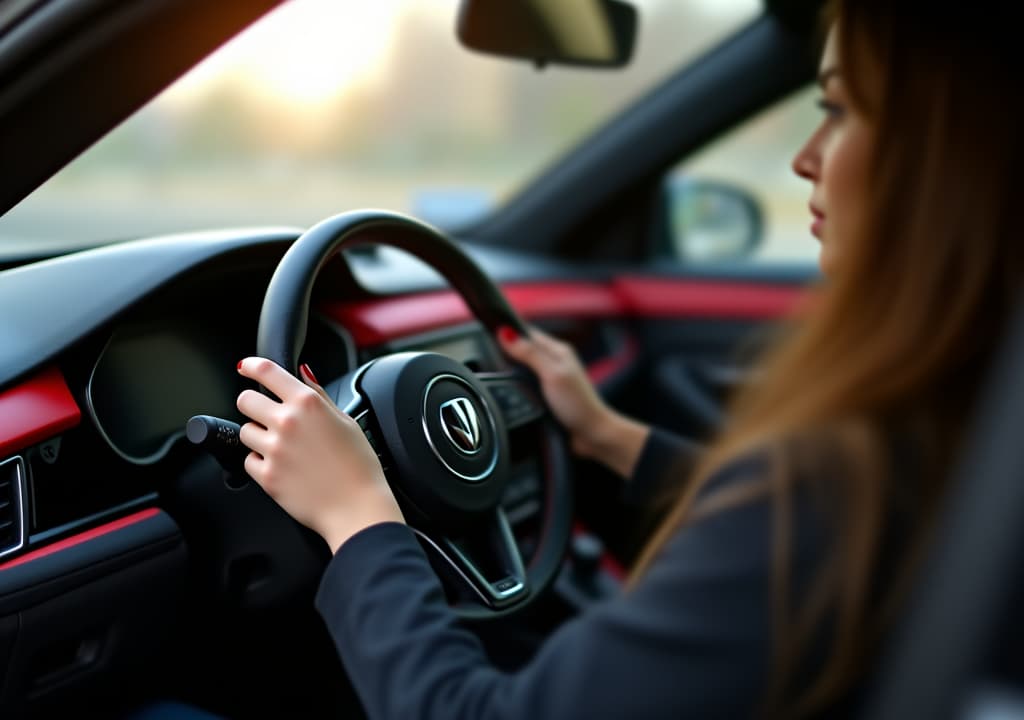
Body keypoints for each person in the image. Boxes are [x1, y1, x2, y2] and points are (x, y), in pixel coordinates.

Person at [234, 1, 1022, 717]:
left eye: (840, 109)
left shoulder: (832, 482)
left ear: (955, 151)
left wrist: (359, 516)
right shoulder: (967, 427)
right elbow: (768, 534)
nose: (805, 158)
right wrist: (606, 433)